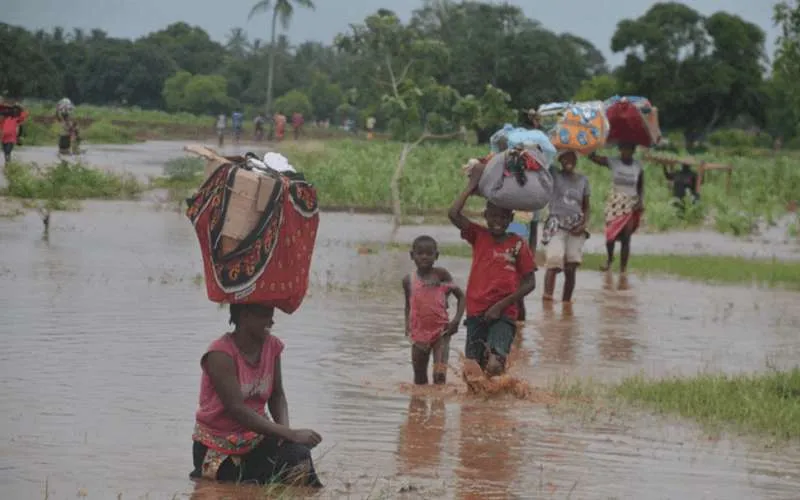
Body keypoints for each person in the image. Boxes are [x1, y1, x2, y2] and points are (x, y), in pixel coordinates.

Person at [190, 303, 323, 487]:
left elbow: (277, 395)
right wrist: (290, 434)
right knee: (245, 486)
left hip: (256, 438)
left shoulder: (272, 346)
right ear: (244, 316)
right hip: (219, 448)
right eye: (265, 316)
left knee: (298, 456)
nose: (272, 321)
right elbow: (237, 409)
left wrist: (285, 438)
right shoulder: (220, 354)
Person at [448, 175, 536, 376]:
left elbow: (530, 283)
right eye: (494, 217)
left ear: (511, 219)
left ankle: (498, 399)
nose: (498, 222)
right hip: (476, 311)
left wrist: (500, 306)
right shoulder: (479, 235)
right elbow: (453, 214)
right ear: (485, 216)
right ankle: (485, 408)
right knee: (472, 372)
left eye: (503, 218)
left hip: (504, 313)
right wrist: (471, 186)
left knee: (495, 365)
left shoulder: (518, 244)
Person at [402, 235, 466, 385]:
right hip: (419, 334)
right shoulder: (408, 280)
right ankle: (419, 406)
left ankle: (439, 407)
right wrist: (407, 325)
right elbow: (408, 305)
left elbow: (461, 297)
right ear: (412, 255)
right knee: (419, 379)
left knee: (439, 375)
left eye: (429, 254)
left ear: (436, 256)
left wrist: (456, 321)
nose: (424, 257)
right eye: (420, 253)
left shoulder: (441, 275)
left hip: (441, 333)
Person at [541, 151, 591, 302]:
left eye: (572, 158)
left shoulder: (583, 180)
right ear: (560, 160)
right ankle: (548, 299)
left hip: (576, 227)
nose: (568, 161)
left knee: (571, 266)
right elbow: (543, 162)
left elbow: (586, 207)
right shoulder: (554, 174)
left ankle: (566, 303)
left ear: (576, 160)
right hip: (556, 224)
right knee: (554, 262)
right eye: (565, 158)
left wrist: (584, 224)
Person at [587, 143, 645, 273]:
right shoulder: (614, 162)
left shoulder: (638, 166)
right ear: (620, 149)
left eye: (629, 148)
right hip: (615, 202)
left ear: (633, 150)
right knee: (610, 235)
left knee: (626, 237)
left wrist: (641, 201)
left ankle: (623, 268)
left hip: (630, 203)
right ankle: (610, 259)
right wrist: (596, 143)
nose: (626, 151)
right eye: (624, 148)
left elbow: (640, 186)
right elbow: (593, 157)